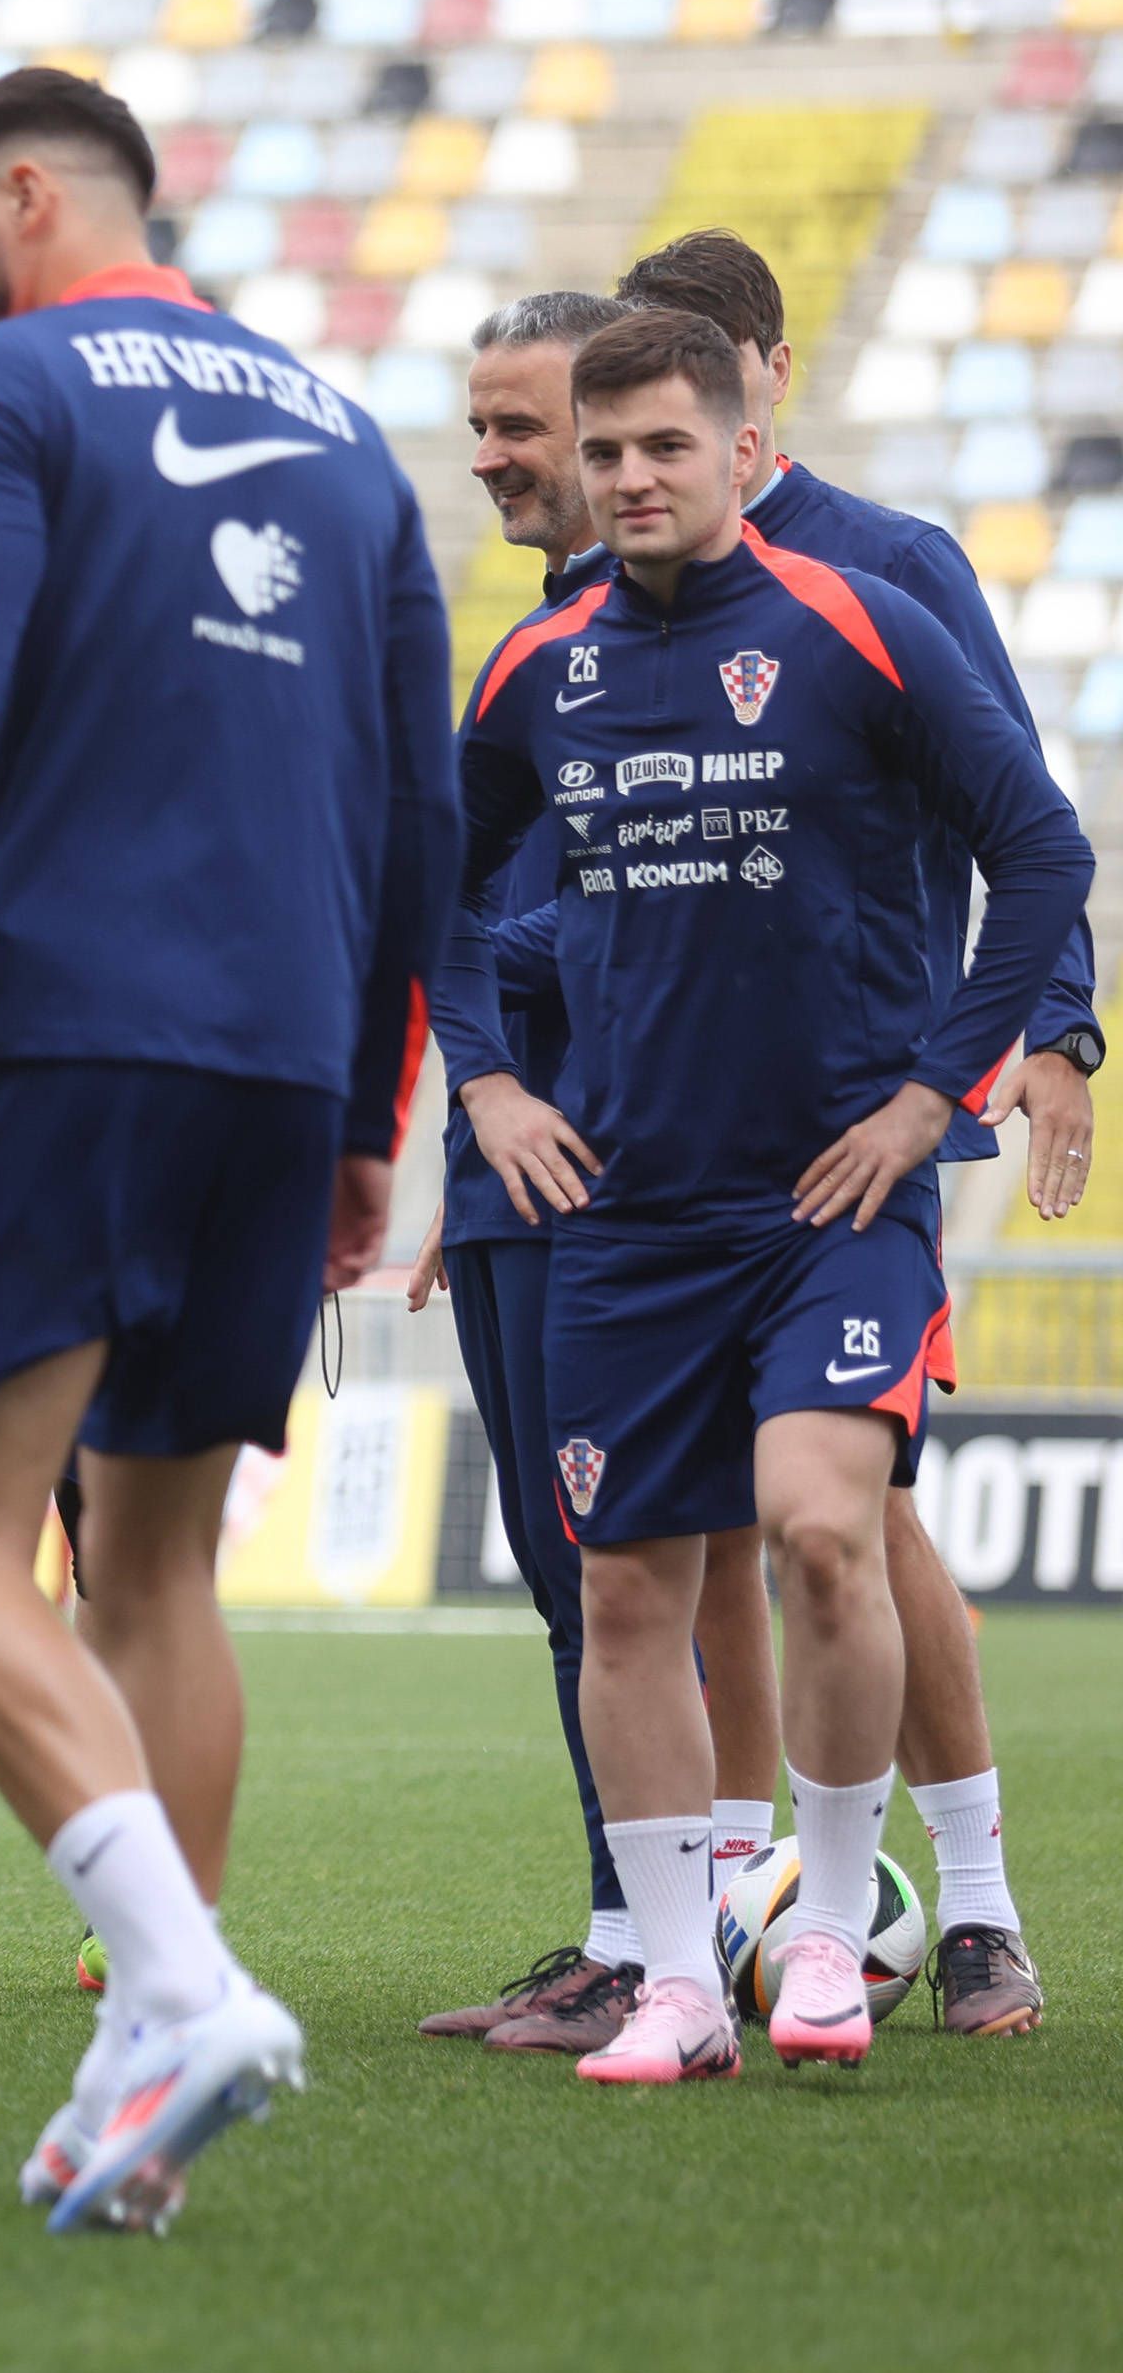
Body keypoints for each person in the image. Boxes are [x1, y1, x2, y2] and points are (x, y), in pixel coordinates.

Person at [0, 66, 450, 2232]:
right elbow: (416, 810)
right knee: (156, 1573)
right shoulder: (342, 435)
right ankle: (144, 2089)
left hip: (47, 1037)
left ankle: (186, 1986)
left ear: (23, 198)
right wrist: (361, 1117)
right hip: (277, 1057)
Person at [438, 306, 1087, 2082]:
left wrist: (932, 1088)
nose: (630, 475)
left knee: (821, 1526)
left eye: (666, 444)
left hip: (828, 1205)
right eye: (606, 449)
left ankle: (827, 1926)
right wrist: (485, 1080)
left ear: (744, 448)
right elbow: (426, 862)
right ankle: (665, 1981)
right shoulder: (537, 668)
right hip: (627, 1214)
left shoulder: (858, 618)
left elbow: (1039, 844)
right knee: (627, 1595)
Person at [610, 228, 1085, 2036]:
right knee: (690, 1545)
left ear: (766, 381)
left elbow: (1023, 813)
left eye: (707, 390)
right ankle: (714, 1908)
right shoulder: (614, 590)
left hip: (854, 1143)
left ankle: (966, 1907)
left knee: (854, 1520)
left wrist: (1055, 1032)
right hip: (660, 1149)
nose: (670, 451)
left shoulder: (887, 563)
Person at [399, 290, 646, 2052]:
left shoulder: (686, 639)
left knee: (634, 1569)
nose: (493, 459)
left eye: (523, 427)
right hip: (506, 1178)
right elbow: (469, 908)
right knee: (569, 1575)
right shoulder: (530, 651)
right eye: (479, 428)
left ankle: (766, 1903)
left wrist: (512, 956)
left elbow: (642, 902)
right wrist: (462, 1115)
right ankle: (632, 1920)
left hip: (631, 1174)